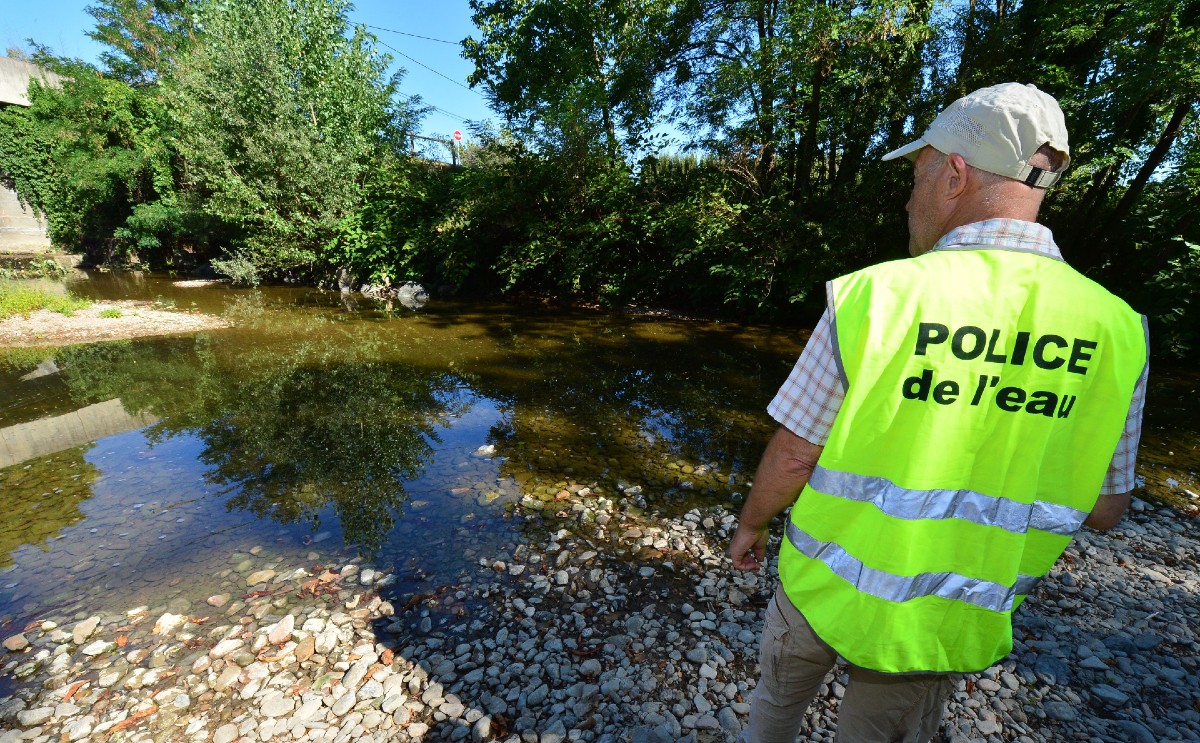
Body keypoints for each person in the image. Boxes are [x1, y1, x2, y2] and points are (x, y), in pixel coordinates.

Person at [728, 82, 1149, 743]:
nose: (908, 194)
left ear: (954, 173)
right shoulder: (1119, 330)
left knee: (773, 715)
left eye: (917, 171)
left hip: (820, 585)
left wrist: (750, 524)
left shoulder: (875, 297)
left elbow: (794, 452)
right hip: (944, 619)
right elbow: (1105, 508)